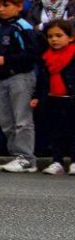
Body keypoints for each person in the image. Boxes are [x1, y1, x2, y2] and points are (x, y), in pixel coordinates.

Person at [0, 0, 42, 173]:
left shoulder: (23, 27)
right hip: (2, 78)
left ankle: (26, 157)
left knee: (22, 119)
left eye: (6, 5)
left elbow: (32, 53)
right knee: (7, 120)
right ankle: (17, 155)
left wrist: (6, 60)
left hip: (20, 77)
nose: (1, 9)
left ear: (19, 6)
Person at [34, 20, 75, 175]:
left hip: (70, 98)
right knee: (55, 132)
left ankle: (74, 161)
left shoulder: (73, 54)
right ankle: (57, 161)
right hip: (53, 99)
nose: (54, 39)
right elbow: (42, 81)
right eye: (50, 36)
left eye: (59, 35)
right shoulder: (46, 57)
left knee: (73, 131)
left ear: (70, 38)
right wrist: (37, 96)